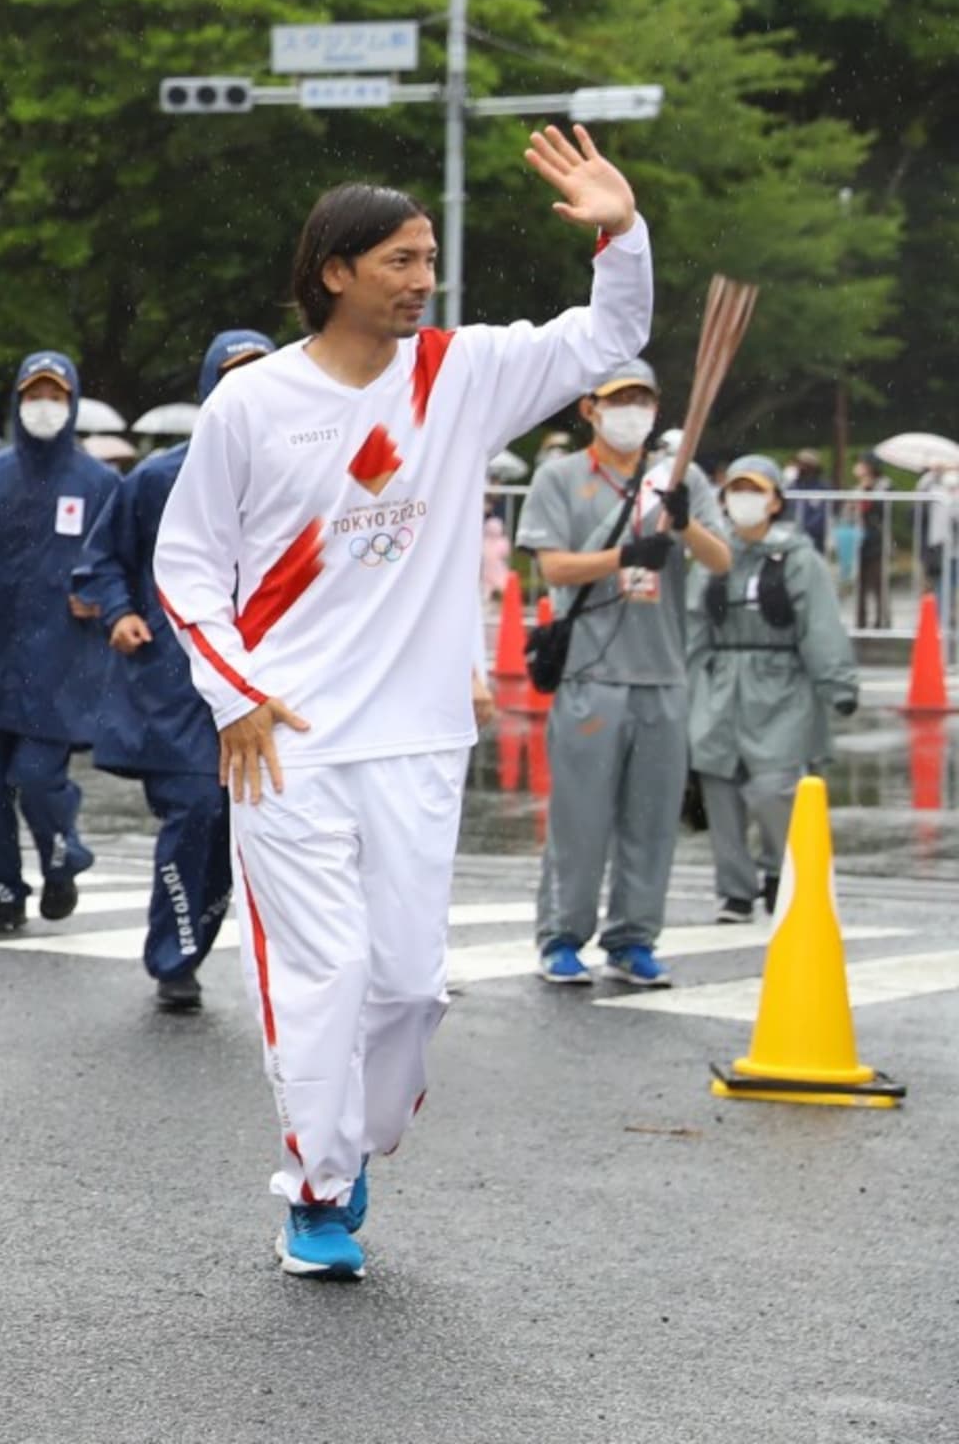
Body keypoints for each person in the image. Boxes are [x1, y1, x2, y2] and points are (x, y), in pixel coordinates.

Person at [151, 127, 653, 1280]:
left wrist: (616, 233)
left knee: (407, 985)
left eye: (427, 258)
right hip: (284, 741)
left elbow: (606, 337)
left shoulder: (459, 376)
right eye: (399, 260)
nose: (423, 278)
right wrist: (234, 695)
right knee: (316, 975)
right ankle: (315, 1189)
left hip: (418, 737)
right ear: (334, 270)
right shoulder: (252, 403)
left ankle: (352, 1142)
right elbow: (188, 566)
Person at [71, 329, 273, 1012]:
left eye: (260, 372)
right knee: (198, 807)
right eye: (233, 373)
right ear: (209, 385)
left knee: (247, 823)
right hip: (175, 677)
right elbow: (100, 559)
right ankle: (174, 958)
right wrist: (120, 612)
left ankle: (296, 967)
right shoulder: (159, 478)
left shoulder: (301, 472)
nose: (246, 386)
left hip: (270, 677)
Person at [517, 358, 729, 989]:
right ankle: (561, 936)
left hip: (663, 674)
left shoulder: (678, 477)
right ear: (589, 409)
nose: (630, 411)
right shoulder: (559, 478)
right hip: (590, 674)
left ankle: (634, 939)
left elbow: (720, 561)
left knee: (652, 820)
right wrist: (623, 556)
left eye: (642, 399)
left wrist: (686, 521)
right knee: (580, 818)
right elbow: (552, 568)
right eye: (617, 400)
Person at [0, 350, 119, 931]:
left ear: (72, 402)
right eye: (35, 395)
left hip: (61, 662)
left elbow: (125, 565)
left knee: (35, 777)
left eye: (56, 396)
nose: (45, 407)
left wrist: (102, 599)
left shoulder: (100, 483)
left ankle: (63, 860)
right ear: (17, 400)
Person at [686, 454, 858, 923]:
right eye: (736, 490)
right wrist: (681, 689)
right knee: (718, 784)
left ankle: (780, 871)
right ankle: (734, 889)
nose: (745, 500)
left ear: (776, 499)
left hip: (781, 685)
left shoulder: (799, 559)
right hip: (721, 683)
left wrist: (837, 681)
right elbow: (693, 627)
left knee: (773, 787)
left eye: (756, 490)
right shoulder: (710, 557)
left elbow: (819, 625)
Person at [847, 457, 889, 628]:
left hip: (876, 540)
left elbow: (880, 510)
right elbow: (849, 510)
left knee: (877, 583)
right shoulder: (857, 487)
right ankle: (860, 620)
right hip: (859, 539)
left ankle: (882, 620)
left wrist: (868, 490)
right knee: (860, 584)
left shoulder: (883, 485)